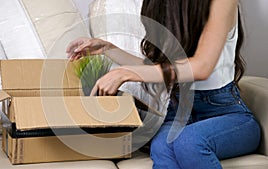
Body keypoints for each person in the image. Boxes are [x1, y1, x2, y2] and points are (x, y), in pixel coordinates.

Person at [66, 0, 261, 168]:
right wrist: (107, 48)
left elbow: (201, 67)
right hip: (178, 111)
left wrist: (126, 74)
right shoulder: (172, 6)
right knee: (161, 148)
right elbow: (160, 69)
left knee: (189, 142)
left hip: (225, 112)